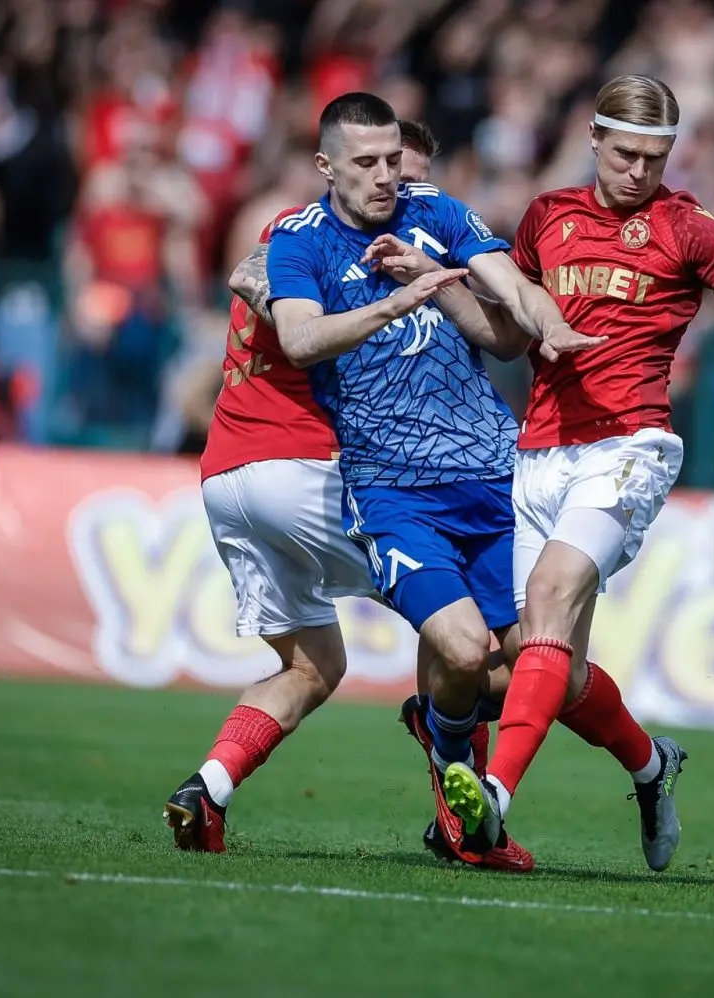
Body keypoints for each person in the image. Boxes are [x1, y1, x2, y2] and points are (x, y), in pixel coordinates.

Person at [435, 74, 714, 871]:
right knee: (548, 665)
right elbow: (509, 336)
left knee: (550, 595)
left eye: (655, 158)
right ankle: (650, 766)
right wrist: (430, 288)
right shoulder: (547, 217)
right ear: (594, 140)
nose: (640, 171)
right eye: (626, 154)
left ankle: (494, 798)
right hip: (541, 453)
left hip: (630, 446)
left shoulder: (691, 229)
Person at [163, 118, 525, 869]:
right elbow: (265, 282)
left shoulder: (299, 236)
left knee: (314, 666)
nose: (399, 189)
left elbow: (250, 270)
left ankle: (207, 789)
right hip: (305, 465)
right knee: (461, 634)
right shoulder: (320, 241)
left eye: (408, 174)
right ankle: (461, 810)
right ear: (336, 169)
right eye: (383, 169)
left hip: (228, 476)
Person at [262, 91, 604, 868]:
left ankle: (630, 765)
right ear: (326, 166)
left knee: (534, 667)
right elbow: (301, 339)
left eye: (393, 159)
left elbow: (507, 290)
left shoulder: (437, 213)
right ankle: (452, 757)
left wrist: (548, 321)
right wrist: (397, 302)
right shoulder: (299, 240)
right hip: (392, 489)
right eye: (367, 162)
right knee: (462, 648)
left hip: (493, 479)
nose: (387, 175)